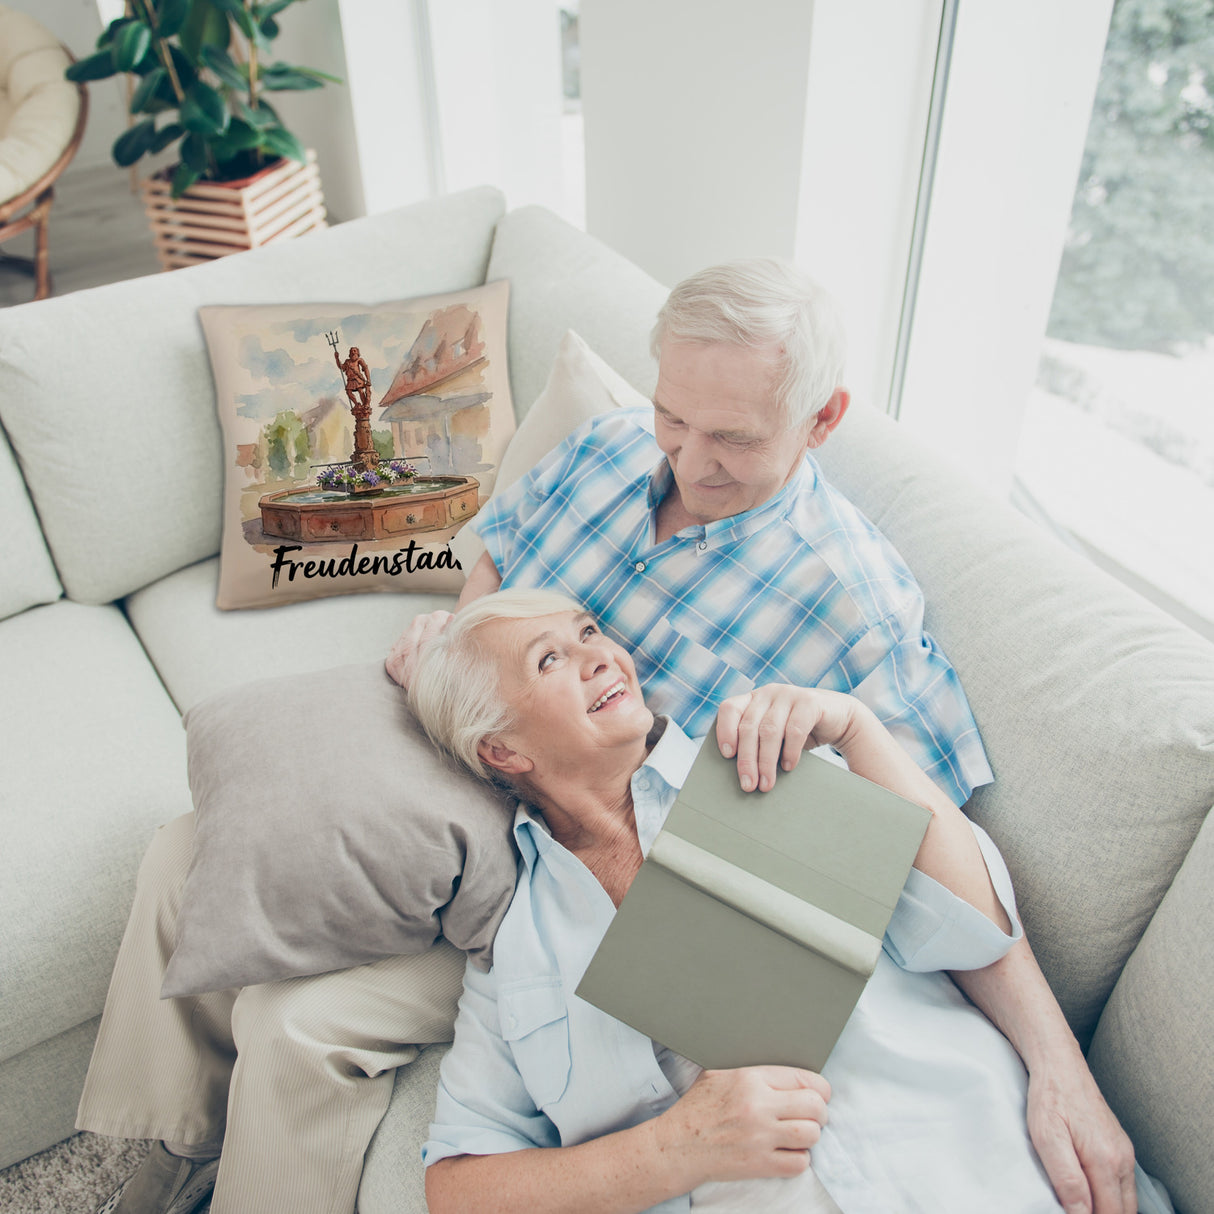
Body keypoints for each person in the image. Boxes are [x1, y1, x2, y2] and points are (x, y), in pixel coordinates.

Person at [388, 259, 1137, 1212]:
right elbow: (499, 559)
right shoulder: (605, 450)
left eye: (733, 438)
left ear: (822, 420)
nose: (689, 461)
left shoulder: (832, 658)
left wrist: (1060, 1068)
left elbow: (942, 883)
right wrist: (459, 659)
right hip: (496, 839)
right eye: (673, 417)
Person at [407, 589, 1161, 1214]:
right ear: (502, 750)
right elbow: (458, 1189)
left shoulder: (763, 764)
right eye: (549, 660)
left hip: (981, 1166)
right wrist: (673, 1149)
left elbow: (974, 929)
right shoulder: (516, 949)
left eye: (589, 632)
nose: (601, 656)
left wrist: (858, 730)